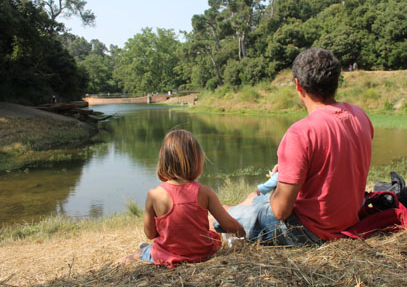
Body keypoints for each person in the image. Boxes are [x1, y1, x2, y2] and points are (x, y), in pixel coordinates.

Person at [217, 48, 373, 246]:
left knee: (219, 215)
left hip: (311, 231)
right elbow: (337, 157)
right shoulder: (360, 116)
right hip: (348, 222)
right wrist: (293, 168)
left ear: (298, 85)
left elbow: (281, 211)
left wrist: (279, 183)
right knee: (251, 198)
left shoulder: (301, 132)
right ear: (336, 81)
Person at [119, 129, 245, 267]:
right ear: (197, 160)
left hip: (168, 255)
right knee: (214, 234)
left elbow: (150, 233)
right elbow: (229, 225)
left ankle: (121, 261)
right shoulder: (205, 192)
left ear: (163, 161)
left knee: (144, 251)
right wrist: (243, 231)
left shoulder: (154, 195)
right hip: (203, 253)